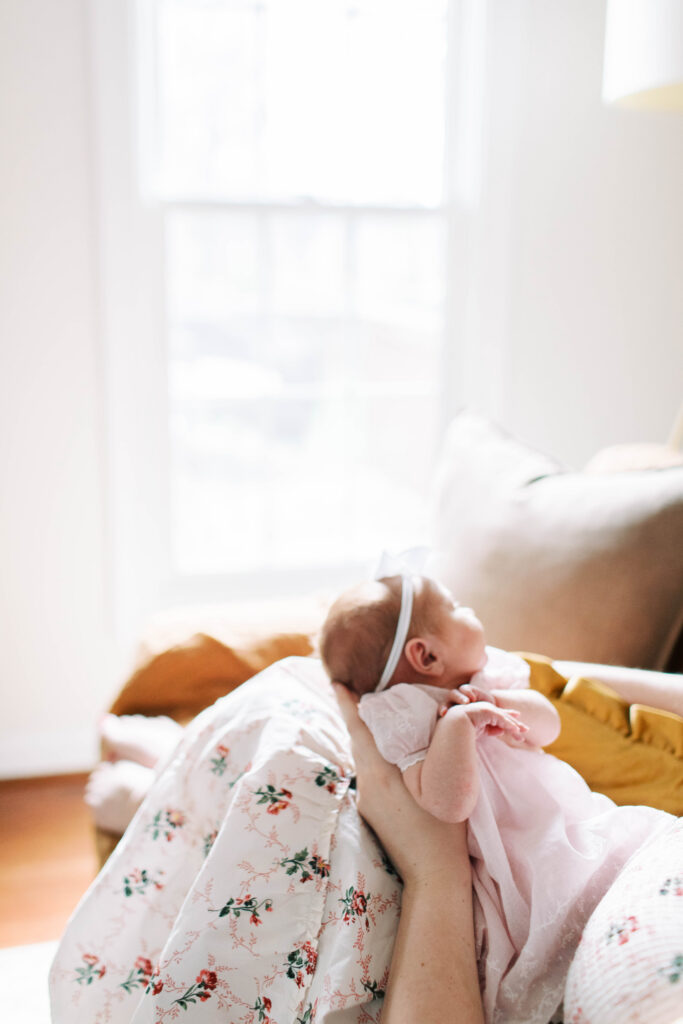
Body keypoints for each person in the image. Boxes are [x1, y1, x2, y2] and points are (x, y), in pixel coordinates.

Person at [320, 574, 676, 1024]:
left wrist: (498, 701)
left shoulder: (493, 675)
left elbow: (548, 727)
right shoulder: (407, 714)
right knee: (552, 918)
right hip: (517, 866)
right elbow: (446, 805)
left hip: (568, 823)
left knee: (613, 860)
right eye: (455, 607)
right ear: (426, 655)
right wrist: (457, 725)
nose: (469, 610)